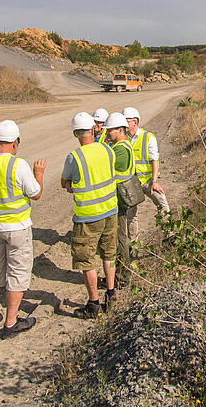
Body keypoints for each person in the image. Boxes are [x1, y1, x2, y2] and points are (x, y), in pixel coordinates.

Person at [0, 120, 46, 337]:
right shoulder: (19, 165)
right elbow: (36, 193)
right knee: (17, 273)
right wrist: (39, 173)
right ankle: (11, 321)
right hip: (17, 228)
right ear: (16, 142)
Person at [61, 112, 118, 318]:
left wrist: (72, 186)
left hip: (87, 217)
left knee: (86, 261)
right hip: (110, 211)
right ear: (94, 129)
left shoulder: (74, 158)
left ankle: (94, 304)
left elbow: (65, 182)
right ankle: (111, 295)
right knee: (109, 254)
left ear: (76, 134)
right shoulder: (107, 149)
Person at [103, 112, 137, 286]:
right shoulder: (123, 145)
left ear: (120, 130)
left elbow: (109, 171)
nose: (108, 133)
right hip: (121, 197)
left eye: (110, 131)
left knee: (120, 238)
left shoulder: (120, 149)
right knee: (120, 236)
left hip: (119, 198)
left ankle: (122, 277)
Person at [122, 107, 170, 225]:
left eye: (126, 121)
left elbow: (155, 160)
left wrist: (154, 181)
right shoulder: (122, 139)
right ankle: (132, 242)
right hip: (131, 183)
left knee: (163, 205)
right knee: (131, 215)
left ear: (135, 122)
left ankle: (170, 235)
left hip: (147, 181)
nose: (124, 124)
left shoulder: (148, 137)